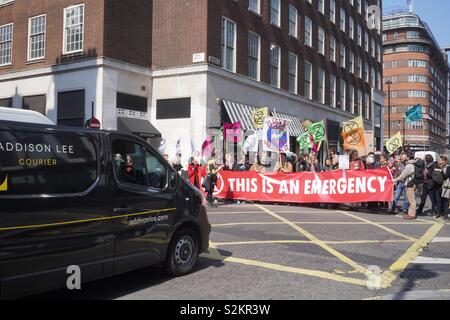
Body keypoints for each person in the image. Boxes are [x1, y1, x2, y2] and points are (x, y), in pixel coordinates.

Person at [394, 152, 419, 220]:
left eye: (404, 156)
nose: (401, 157)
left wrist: (396, 179)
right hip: (413, 183)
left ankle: (411, 214)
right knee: (411, 200)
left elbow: (403, 175)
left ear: (407, 157)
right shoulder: (414, 164)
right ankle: (410, 213)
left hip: (410, 184)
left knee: (411, 200)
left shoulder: (409, 165)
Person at [440, 156, 450, 221]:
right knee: (444, 200)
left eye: (442, 160)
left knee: (446, 200)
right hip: (444, 186)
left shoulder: (448, 167)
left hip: (447, 186)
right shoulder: (443, 167)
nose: (441, 161)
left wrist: (441, 171)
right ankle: (444, 213)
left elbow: (446, 177)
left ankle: (446, 214)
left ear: (445, 161)